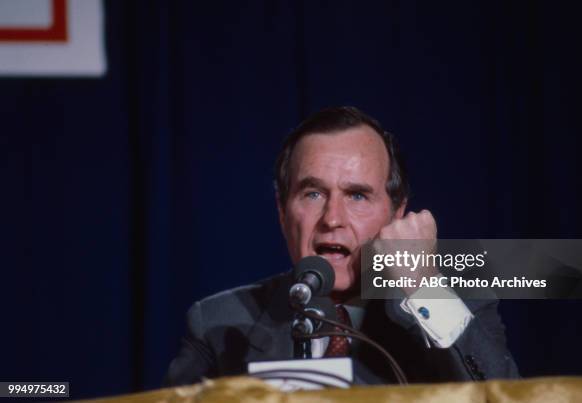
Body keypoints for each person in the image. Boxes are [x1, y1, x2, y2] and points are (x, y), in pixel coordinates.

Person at [165, 106, 520, 385]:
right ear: (281, 212)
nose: (332, 218)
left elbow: (503, 398)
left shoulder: (455, 305)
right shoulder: (217, 324)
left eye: (357, 195)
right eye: (313, 193)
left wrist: (423, 287)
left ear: (397, 215)